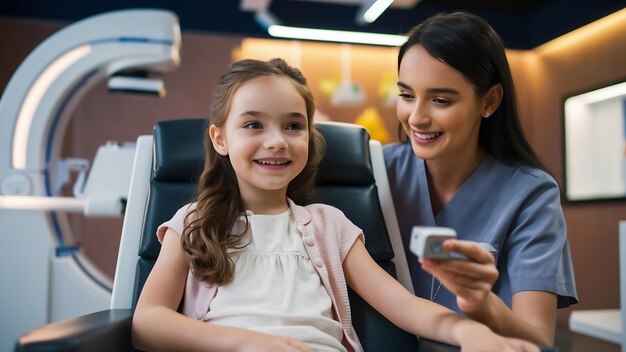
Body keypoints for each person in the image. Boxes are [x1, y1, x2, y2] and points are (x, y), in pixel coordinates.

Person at [132, 57, 539, 352]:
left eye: (293, 125)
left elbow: (404, 305)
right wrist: (249, 344)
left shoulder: (329, 225)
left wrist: (468, 332)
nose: (276, 140)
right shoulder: (194, 223)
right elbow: (147, 323)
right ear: (220, 139)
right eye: (254, 124)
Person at [383, 11, 578, 347]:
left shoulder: (530, 193)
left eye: (441, 100)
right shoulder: (374, 172)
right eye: (406, 95)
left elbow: (540, 340)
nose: (416, 118)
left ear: (489, 101)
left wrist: (481, 304)